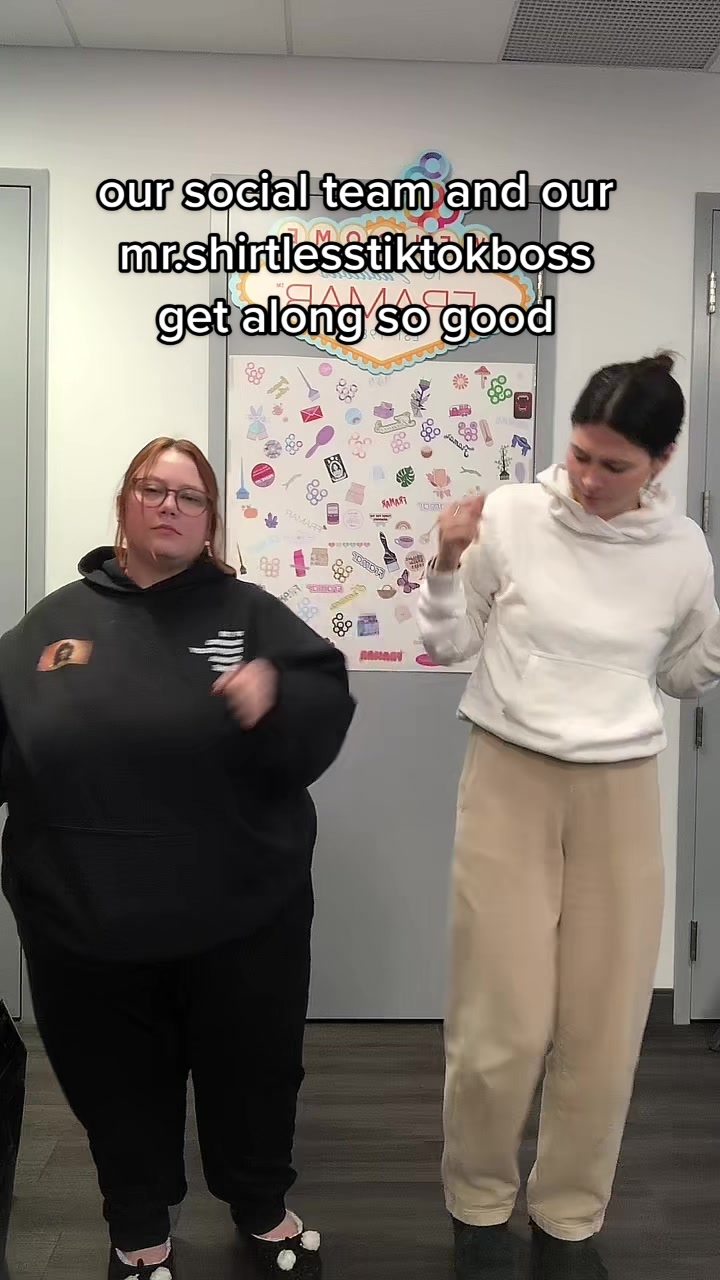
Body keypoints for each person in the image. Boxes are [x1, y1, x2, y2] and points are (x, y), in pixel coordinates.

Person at [0, 437, 356, 1280]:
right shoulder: (52, 626)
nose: (169, 506)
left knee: (254, 1071)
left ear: (210, 520)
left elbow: (324, 697)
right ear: (124, 503)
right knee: (114, 1083)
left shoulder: (249, 614)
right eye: (153, 489)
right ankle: (138, 1226)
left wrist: (276, 698)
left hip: (243, 914)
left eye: (189, 496)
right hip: (87, 918)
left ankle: (262, 1205)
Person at [417, 353, 720, 1280]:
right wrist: (446, 560)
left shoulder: (683, 550)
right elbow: (449, 644)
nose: (589, 479)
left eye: (615, 465)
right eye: (581, 455)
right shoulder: (512, 515)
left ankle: (570, 1218)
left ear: (661, 462)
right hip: (509, 776)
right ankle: (478, 1205)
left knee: (605, 1024)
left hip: (620, 791)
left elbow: (680, 676)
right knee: (499, 1022)